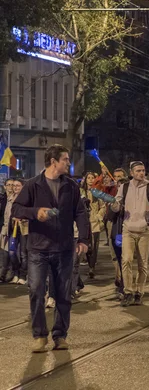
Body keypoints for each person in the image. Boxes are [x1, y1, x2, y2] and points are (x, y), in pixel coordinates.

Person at [13, 144, 90, 353]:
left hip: (64, 248)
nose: (68, 162)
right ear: (53, 161)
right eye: (65, 159)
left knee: (63, 293)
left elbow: (81, 213)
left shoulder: (71, 186)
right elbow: (16, 208)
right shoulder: (33, 184)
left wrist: (84, 239)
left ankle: (60, 335)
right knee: (36, 290)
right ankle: (39, 335)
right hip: (38, 248)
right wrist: (35, 212)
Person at [110, 161, 149, 307]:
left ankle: (139, 291)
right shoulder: (124, 187)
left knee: (142, 264)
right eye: (138, 171)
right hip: (128, 230)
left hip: (145, 231)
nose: (141, 173)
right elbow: (116, 206)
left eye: (143, 170)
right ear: (131, 173)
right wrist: (113, 203)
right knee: (126, 260)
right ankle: (128, 292)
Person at [80, 172, 106, 279]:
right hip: (84, 223)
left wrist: (98, 216)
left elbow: (103, 207)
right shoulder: (81, 192)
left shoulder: (97, 192)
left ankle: (92, 267)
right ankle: (87, 262)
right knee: (87, 246)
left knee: (94, 246)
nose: (90, 180)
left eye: (92, 178)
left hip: (94, 223)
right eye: (88, 178)